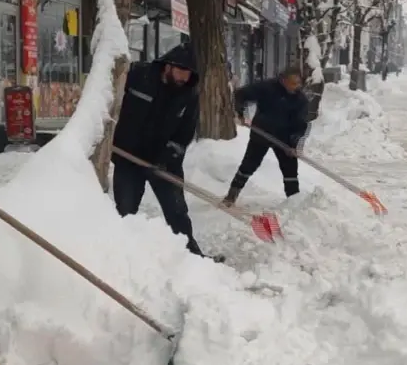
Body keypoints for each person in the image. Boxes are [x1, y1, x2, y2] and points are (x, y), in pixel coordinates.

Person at [111, 44, 203, 256]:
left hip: (164, 162)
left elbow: (184, 134)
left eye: (189, 74)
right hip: (128, 158)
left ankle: (193, 257)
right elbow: (113, 103)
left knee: (177, 212)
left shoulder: (188, 94)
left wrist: (167, 158)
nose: (184, 78)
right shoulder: (138, 76)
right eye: (181, 72)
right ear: (168, 66)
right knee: (125, 210)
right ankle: (122, 257)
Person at [222, 67, 310, 207]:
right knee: (248, 166)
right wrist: (240, 113)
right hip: (261, 134)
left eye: (298, 83)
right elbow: (240, 94)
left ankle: (294, 203)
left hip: (284, 139)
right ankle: (231, 196)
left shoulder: (300, 100)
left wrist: (294, 144)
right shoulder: (267, 88)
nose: (296, 86)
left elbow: (301, 124)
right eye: (292, 82)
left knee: (290, 172)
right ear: (283, 80)